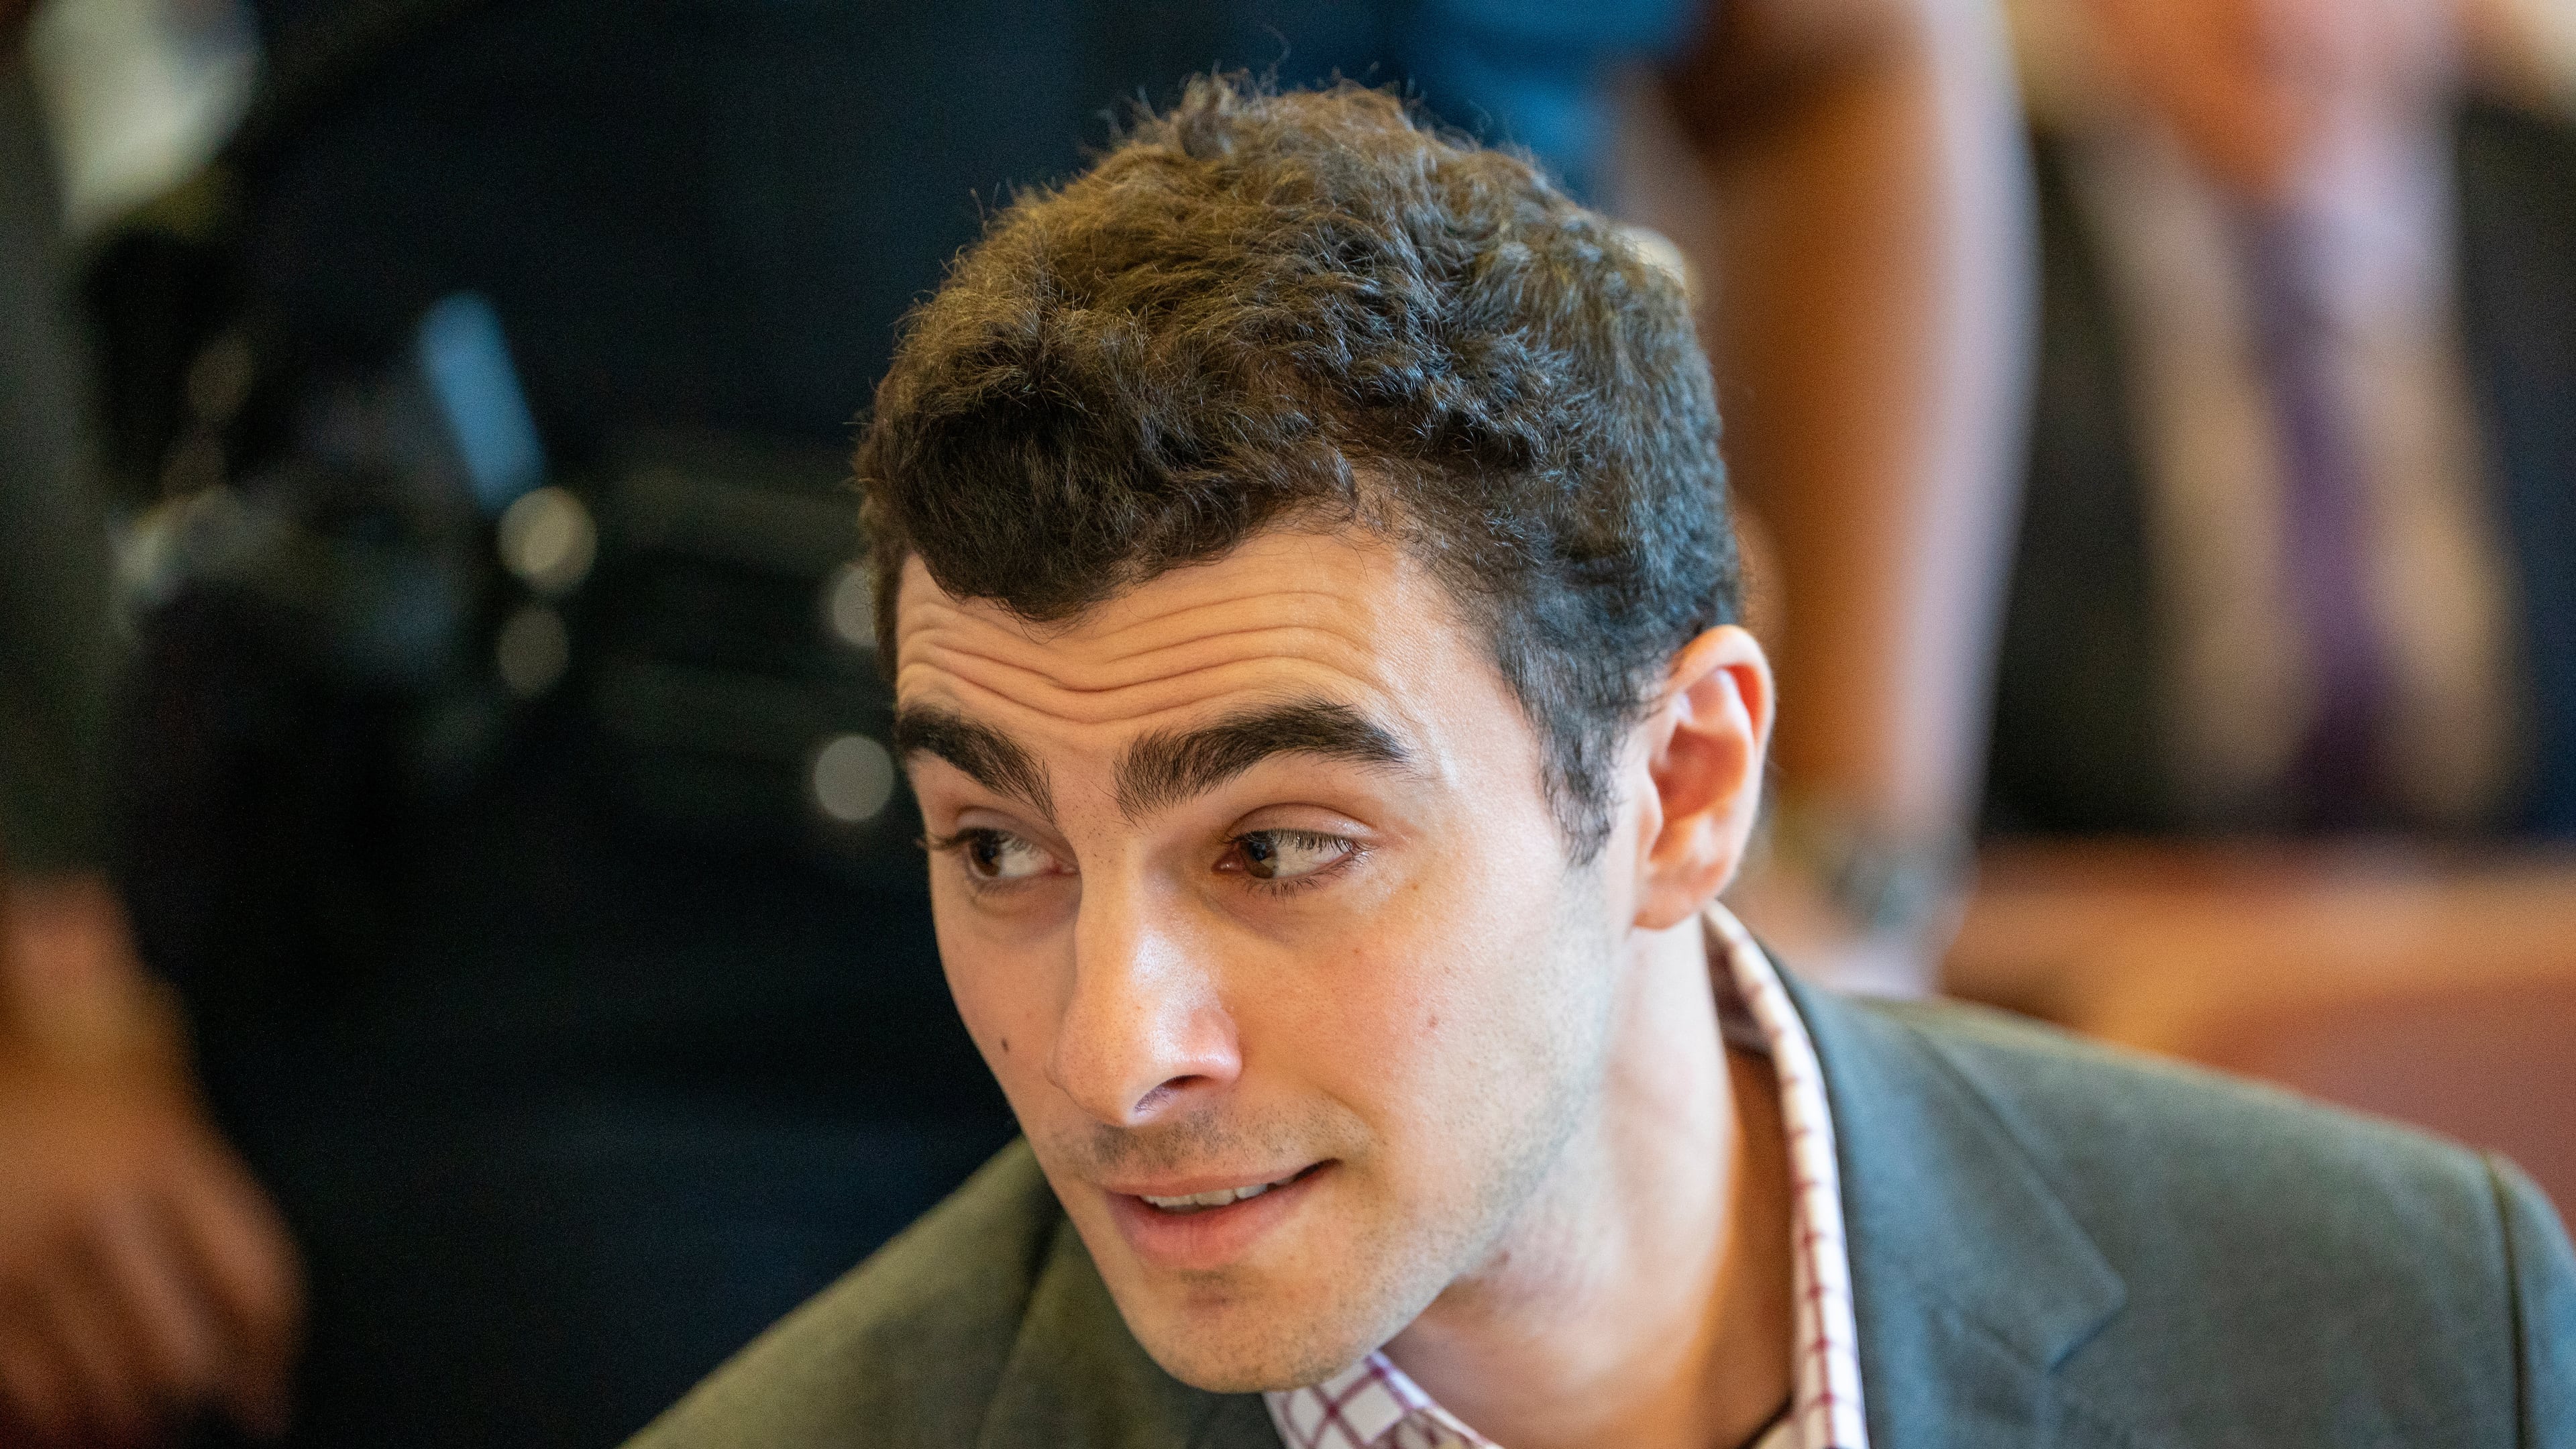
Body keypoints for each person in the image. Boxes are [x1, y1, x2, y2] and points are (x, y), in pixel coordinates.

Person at [1, 0, 2030, 1442]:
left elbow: (1847, 61)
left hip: (1446, 946)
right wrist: (27, 976)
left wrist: (1854, 850)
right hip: (596, 997)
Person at [625, 78, 2576, 1449]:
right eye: (993, 849)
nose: (1108, 1053)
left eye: (1279, 848)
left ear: (1682, 786)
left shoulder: (2406, 1329)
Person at [1989, 0, 2576, 838]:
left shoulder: (2553, 213)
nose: (2272, 18)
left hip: (2517, 931)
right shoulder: (1973, 238)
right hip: (2116, 923)